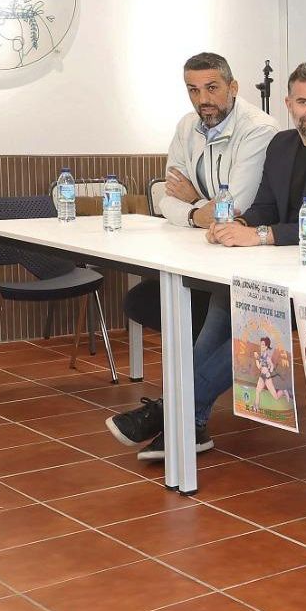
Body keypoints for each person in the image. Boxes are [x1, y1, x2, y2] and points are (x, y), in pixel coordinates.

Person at [106, 62, 306, 461]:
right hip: (292, 267)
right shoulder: (281, 146)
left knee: (259, 318)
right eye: (304, 101)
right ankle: (187, 423)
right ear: (288, 103)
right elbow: (264, 206)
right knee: (226, 298)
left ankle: (172, 413)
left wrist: (256, 235)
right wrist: (234, 225)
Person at [107, 52, 275, 449]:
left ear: (233, 88)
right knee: (207, 323)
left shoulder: (259, 129)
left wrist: (196, 203)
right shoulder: (188, 126)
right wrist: (205, 212)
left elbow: (237, 206)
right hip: (212, 251)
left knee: (231, 326)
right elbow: (164, 197)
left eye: (213, 88)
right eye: (194, 90)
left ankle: (173, 414)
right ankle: (189, 422)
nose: (204, 99)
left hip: (256, 257)